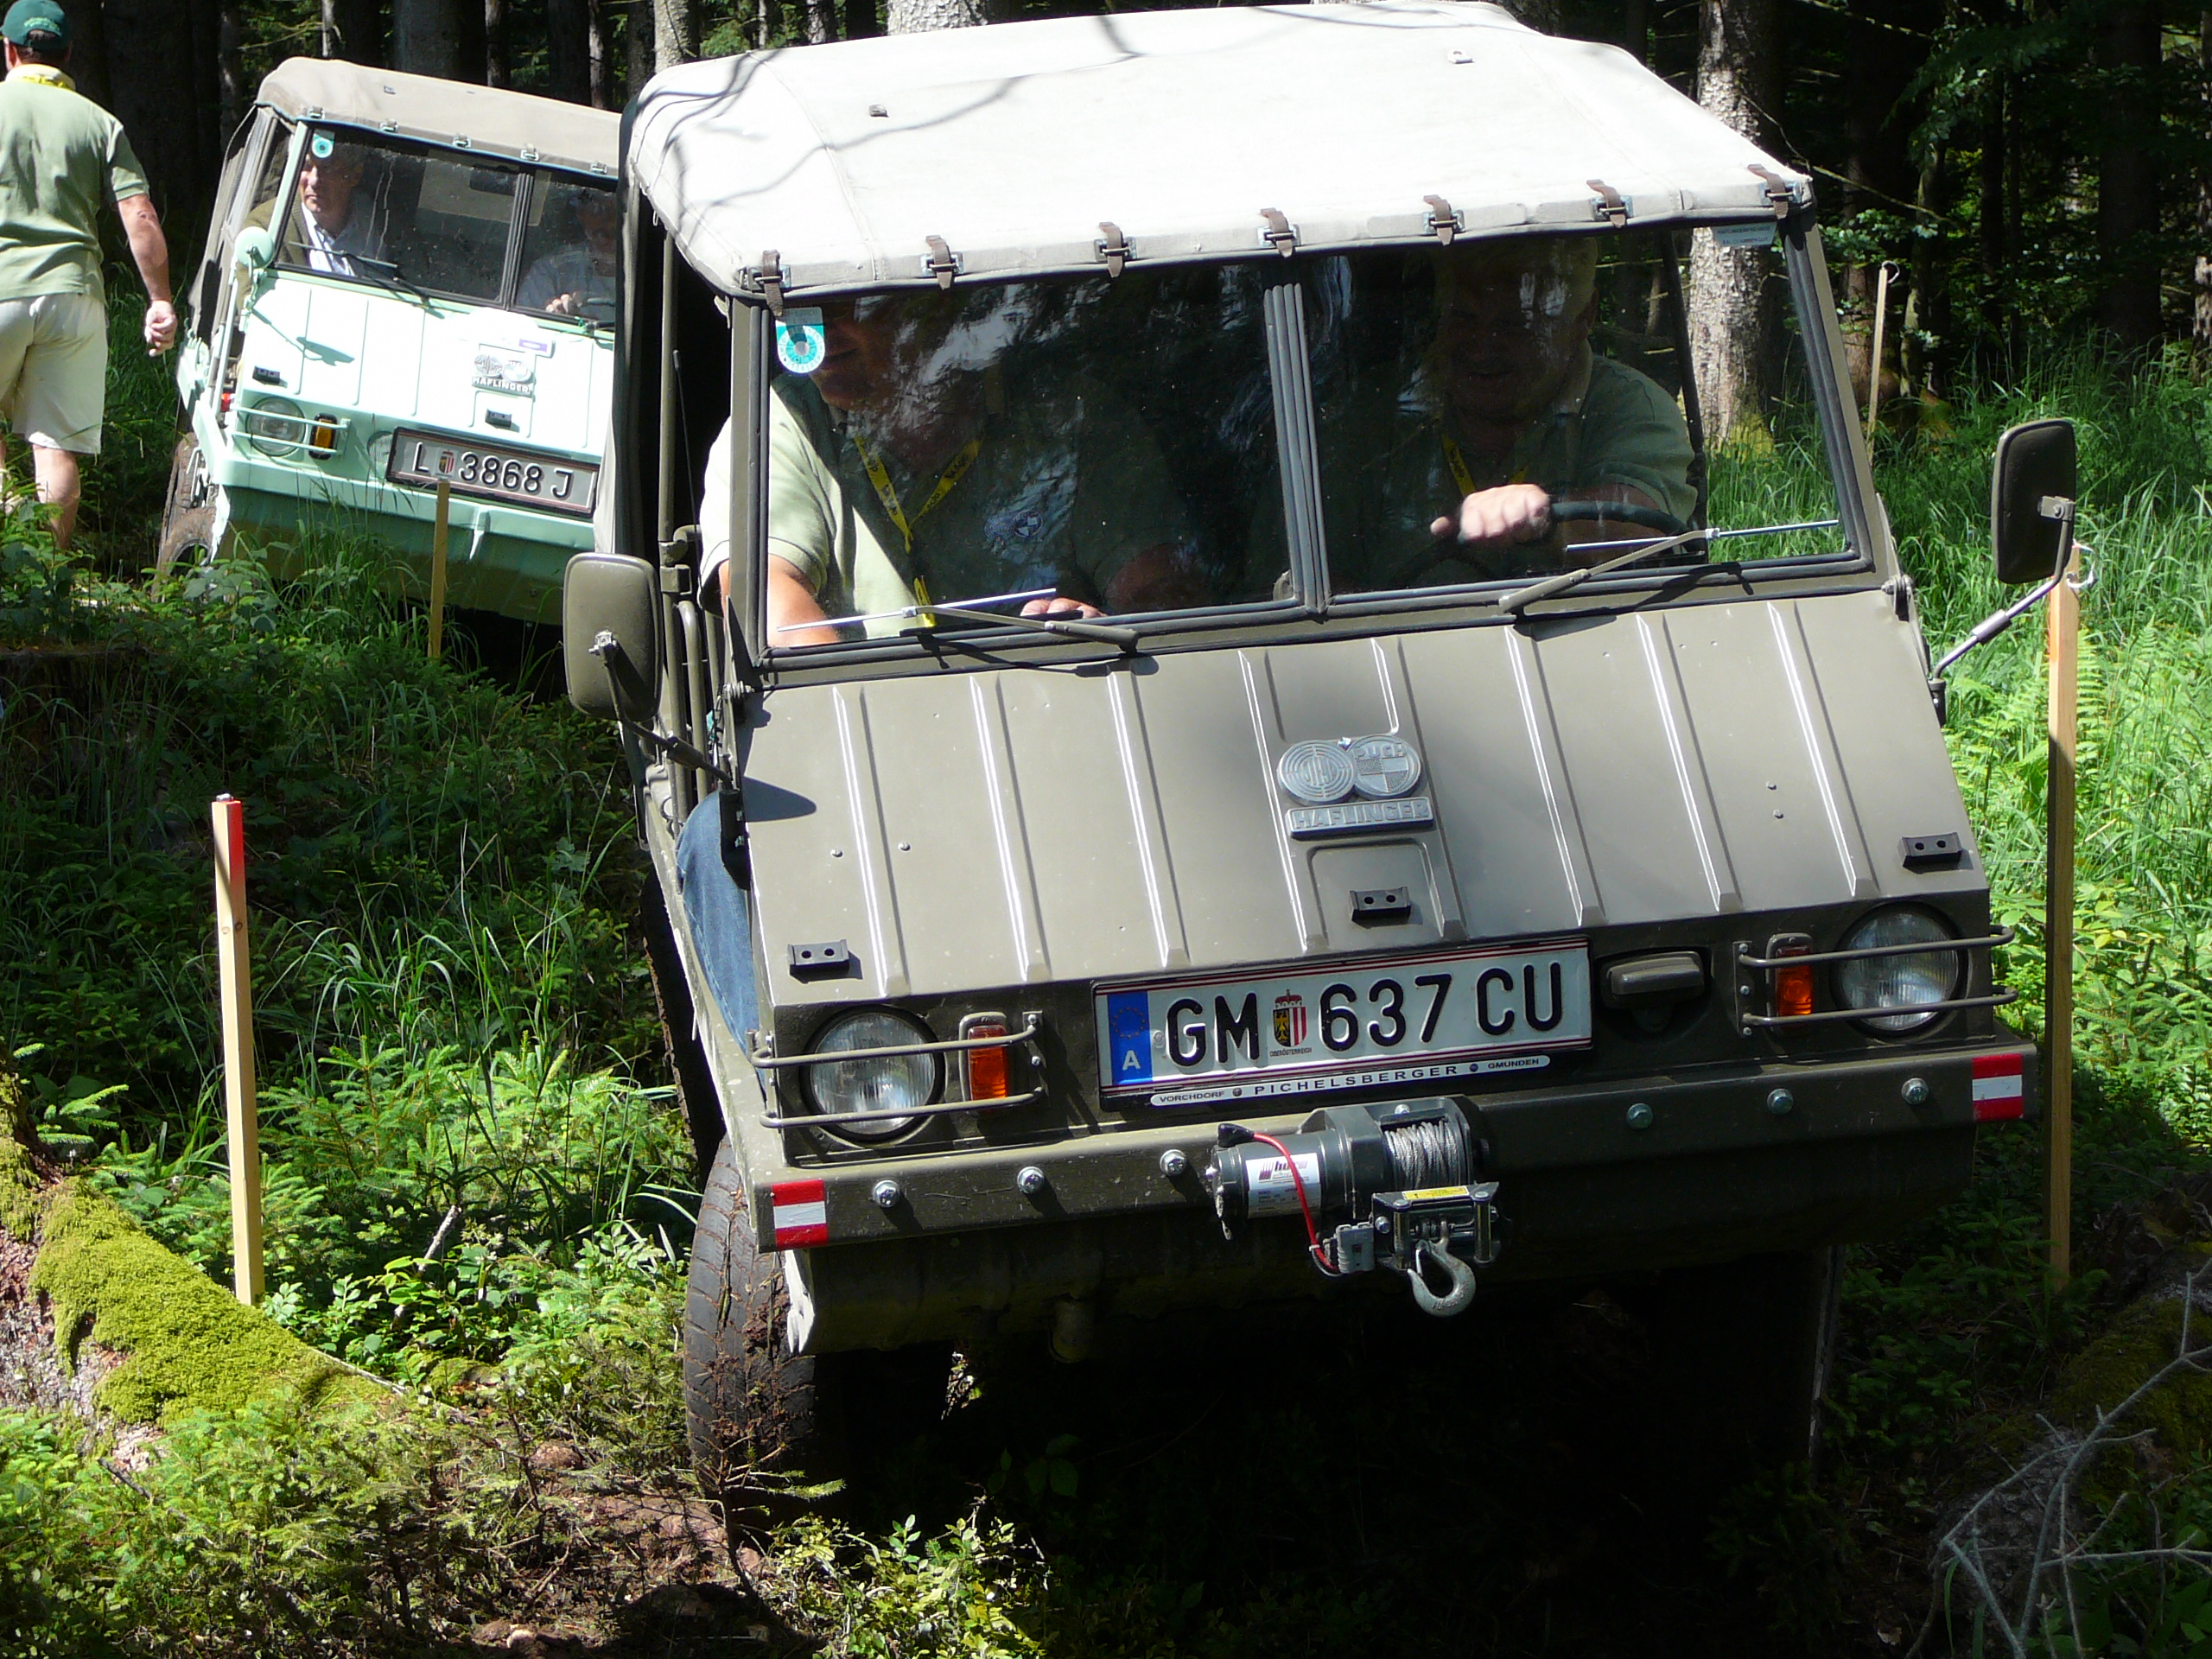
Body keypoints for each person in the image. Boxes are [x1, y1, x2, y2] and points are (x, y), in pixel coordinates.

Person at [699, 284, 1201, 644]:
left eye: (845, 302)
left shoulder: (1069, 412)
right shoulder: (774, 427)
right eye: (791, 309)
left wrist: (1098, 627)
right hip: (874, 734)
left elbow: (1163, 600)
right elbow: (767, 607)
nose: (814, 334)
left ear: (930, 304)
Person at [1318, 236, 1696, 588]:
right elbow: (1312, 577)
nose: (1482, 346)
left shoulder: (1628, 405)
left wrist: (1548, 524)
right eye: (1462, 317)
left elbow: (1647, 530)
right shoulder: (1380, 408)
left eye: (1515, 324)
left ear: (1584, 318)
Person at [0, 0, 174, 550]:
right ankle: (46, 577)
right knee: (56, 448)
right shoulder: (101, 123)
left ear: (8, 51)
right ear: (69, 55)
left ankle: (9, 525)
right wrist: (160, 300)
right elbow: (140, 216)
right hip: (75, 299)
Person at [517, 185, 618, 319]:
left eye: (613, 209)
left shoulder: (644, 276)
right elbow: (523, 322)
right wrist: (561, 317)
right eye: (597, 208)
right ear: (581, 214)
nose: (606, 218)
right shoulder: (552, 270)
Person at [291, 131, 378, 276]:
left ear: (354, 175)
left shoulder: (380, 223)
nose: (314, 181)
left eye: (327, 168)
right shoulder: (270, 227)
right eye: (307, 166)